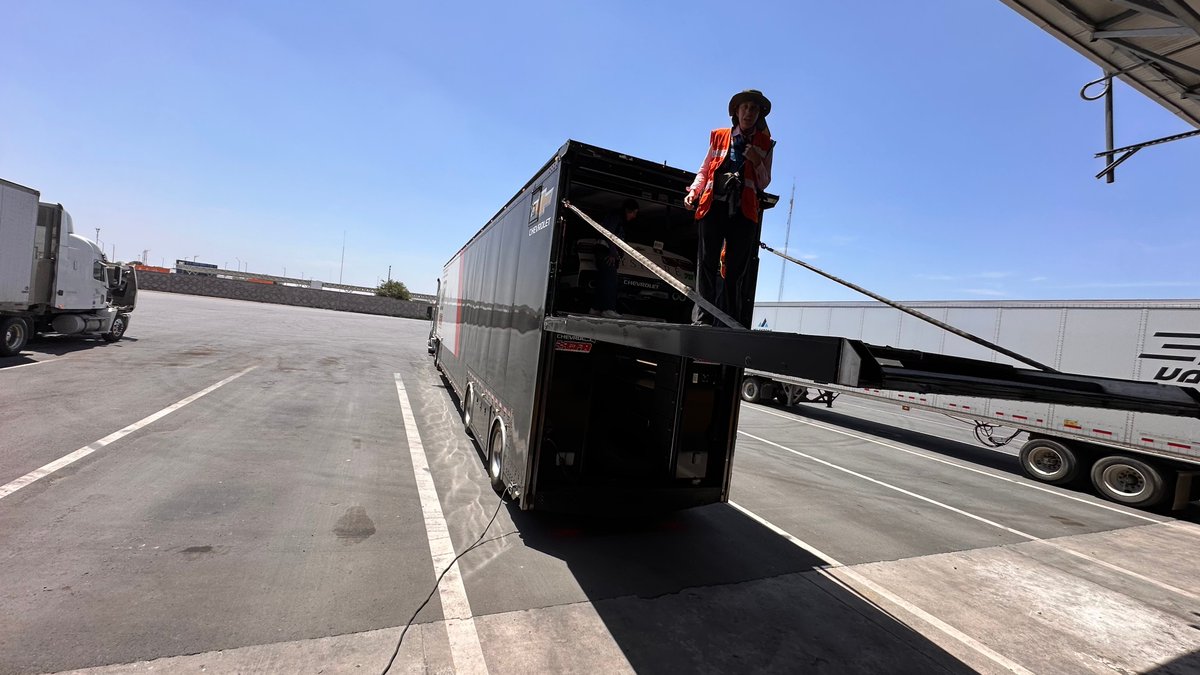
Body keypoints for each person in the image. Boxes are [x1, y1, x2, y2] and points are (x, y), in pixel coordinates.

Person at [683, 89, 774, 326]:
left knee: (734, 271)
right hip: (714, 207)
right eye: (745, 107)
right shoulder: (719, 136)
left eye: (754, 108)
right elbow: (704, 169)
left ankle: (729, 321)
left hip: (744, 212)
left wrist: (756, 161)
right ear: (736, 111)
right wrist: (694, 191)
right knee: (707, 264)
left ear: (759, 114)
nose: (749, 112)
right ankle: (702, 319)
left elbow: (764, 182)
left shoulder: (766, 144)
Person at [590, 198, 639, 318]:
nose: (634, 216)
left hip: (605, 251)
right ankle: (608, 308)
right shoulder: (615, 217)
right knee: (610, 280)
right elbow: (609, 235)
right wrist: (613, 254)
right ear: (628, 210)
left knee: (603, 280)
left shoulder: (618, 219)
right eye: (634, 213)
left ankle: (596, 308)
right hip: (605, 251)